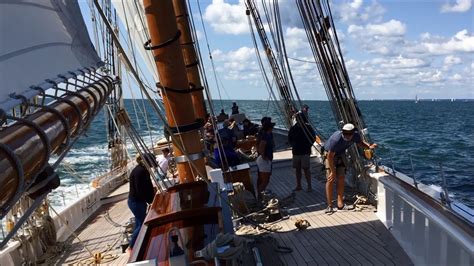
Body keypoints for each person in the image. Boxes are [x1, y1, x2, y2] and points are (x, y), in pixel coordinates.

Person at [324, 123, 377, 214]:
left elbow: (360, 143)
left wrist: (369, 146)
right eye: (345, 133)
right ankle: (329, 206)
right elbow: (330, 156)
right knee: (331, 179)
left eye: (349, 134)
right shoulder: (336, 139)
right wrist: (333, 171)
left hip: (341, 154)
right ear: (342, 132)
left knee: (341, 178)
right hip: (330, 155)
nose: (347, 136)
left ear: (353, 133)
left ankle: (340, 204)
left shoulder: (355, 136)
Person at [128, 153, 156, 251]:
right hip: (136, 202)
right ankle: (131, 247)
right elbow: (140, 190)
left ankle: (136, 244)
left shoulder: (143, 170)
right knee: (142, 224)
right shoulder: (140, 172)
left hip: (139, 202)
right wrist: (150, 201)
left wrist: (152, 199)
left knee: (138, 223)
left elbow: (147, 187)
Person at [288, 113, 316, 192]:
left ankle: (309, 186)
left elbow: (313, 138)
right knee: (297, 169)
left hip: (305, 151)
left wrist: (308, 146)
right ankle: (299, 185)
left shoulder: (308, 128)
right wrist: (293, 145)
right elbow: (289, 139)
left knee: (306, 169)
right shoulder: (293, 129)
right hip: (296, 152)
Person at [256, 117, 275, 198]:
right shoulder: (265, 136)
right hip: (264, 160)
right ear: (269, 128)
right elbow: (261, 147)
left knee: (265, 179)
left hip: (266, 159)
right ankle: (260, 196)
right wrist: (264, 157)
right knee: (265, 180)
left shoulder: (267, 134)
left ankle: (260, 194)